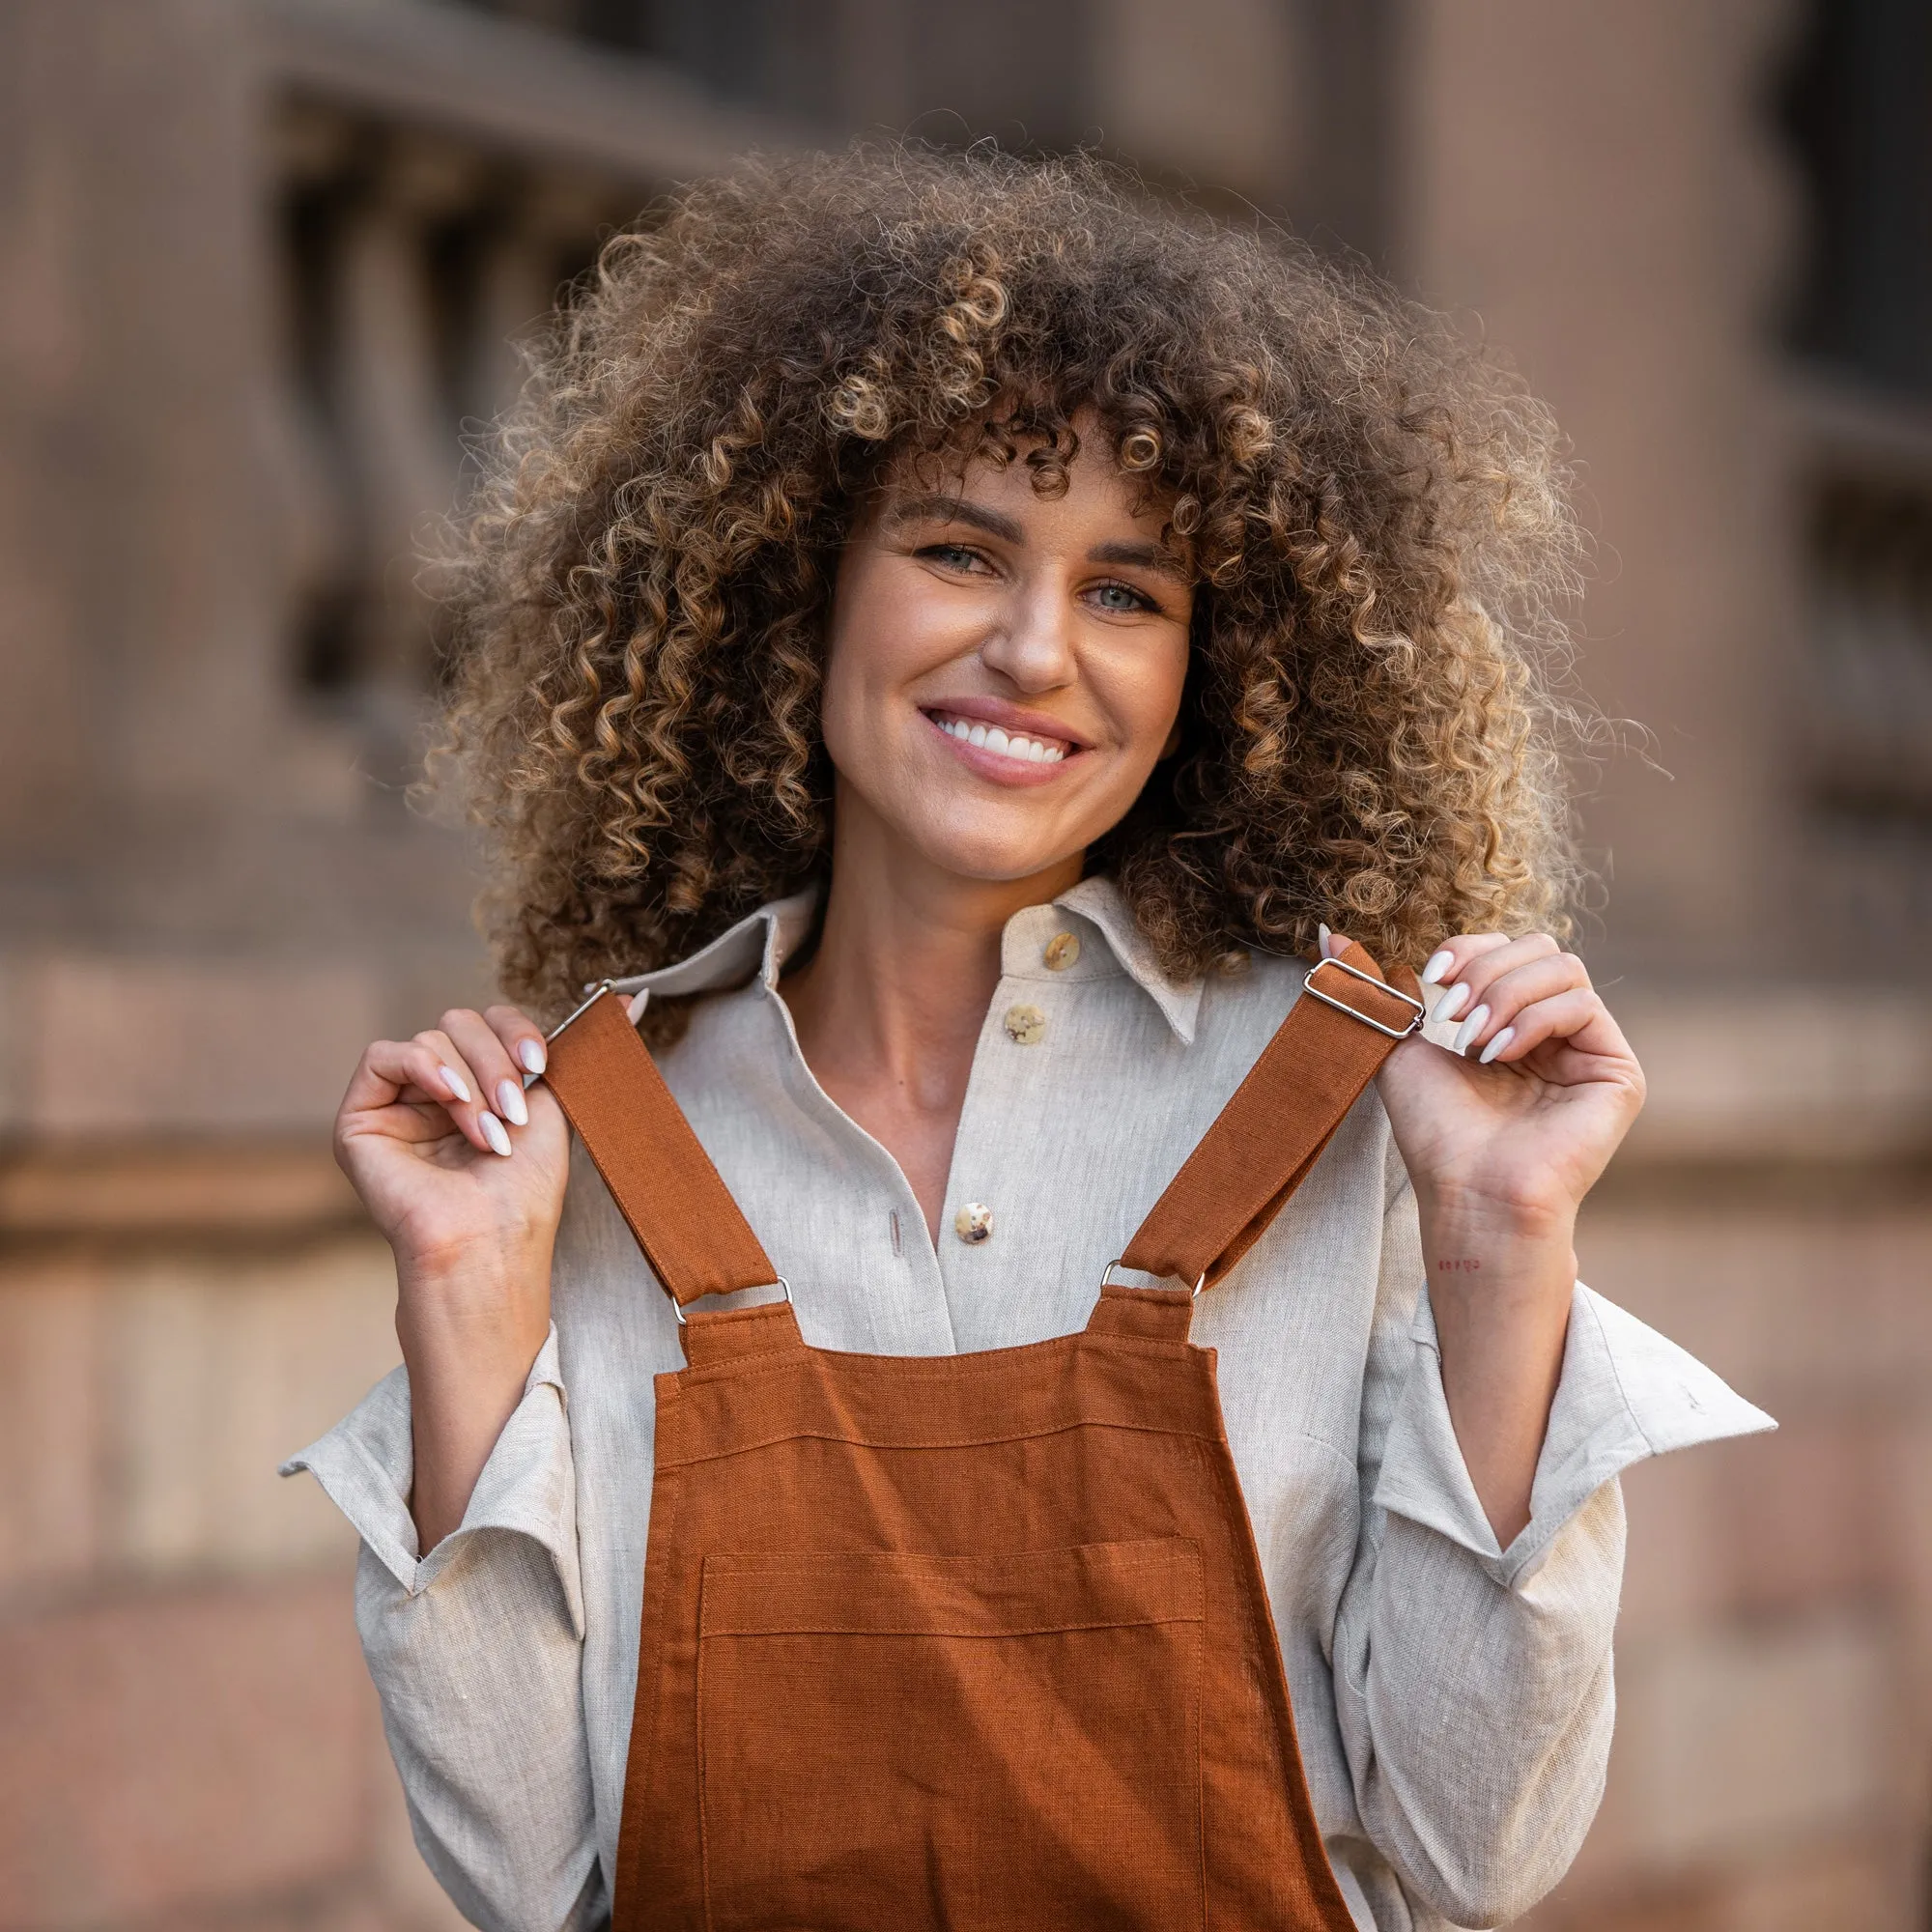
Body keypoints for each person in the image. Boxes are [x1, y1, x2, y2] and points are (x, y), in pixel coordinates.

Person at [287, 147, 1770, 1932]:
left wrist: (1503, 1239)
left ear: (1219, 667)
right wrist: (462, 1291)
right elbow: (526, 1878)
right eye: (957, 550)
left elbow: (1475, 1855)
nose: (1035, 650)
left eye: (1130, 591)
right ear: (795, 586)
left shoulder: (1358, 1114)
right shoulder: (586, 1145)